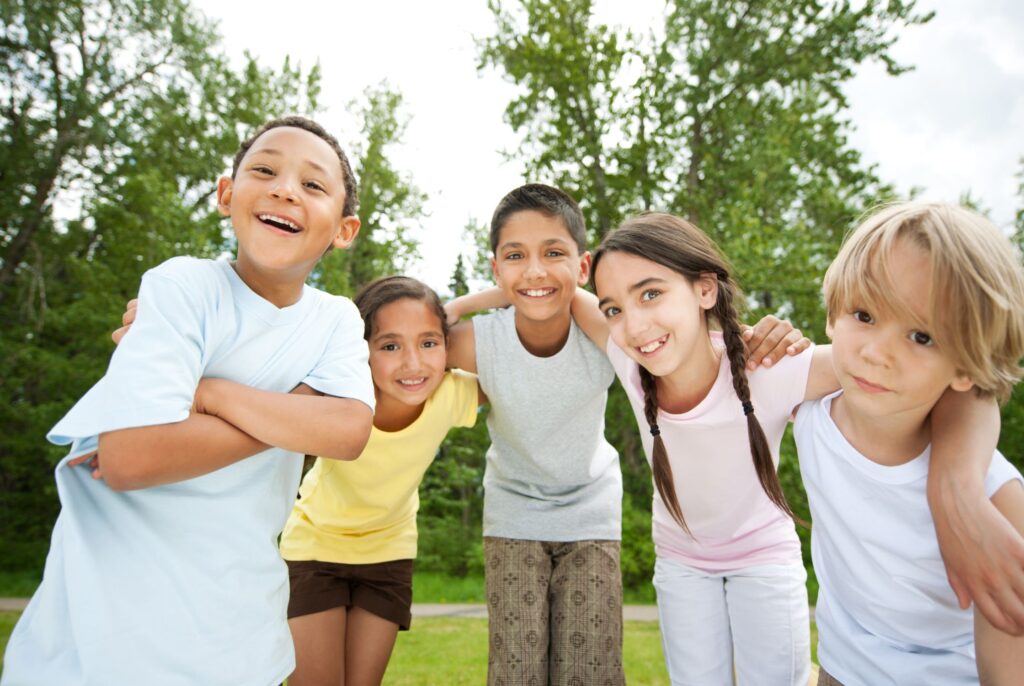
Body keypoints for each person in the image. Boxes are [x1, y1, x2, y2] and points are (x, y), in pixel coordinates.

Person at [1, 116, 376, 686]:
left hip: (236, 630)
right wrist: (296, 412)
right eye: (265, 170)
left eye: (313, 185)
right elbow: (132, 458)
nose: (284, 189)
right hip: (105, 631)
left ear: (344, 230)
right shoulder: (181, 286)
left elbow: (348, 431)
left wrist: (209, 393)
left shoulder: (335, 320)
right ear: (227, 196)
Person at [577, 211, 1021, 685]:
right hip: (685, 563)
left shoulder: (770, 370)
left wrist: (959, 486)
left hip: (762, 557)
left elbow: (966, 381)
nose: (635, 323)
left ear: (704, 289)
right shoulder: (629, 361)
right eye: (614, 309)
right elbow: (566, 297)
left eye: (651, 293)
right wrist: (527, 278)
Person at [443, 185, 805, 685]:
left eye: (553, 253)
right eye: (515, 256)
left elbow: (595, 300)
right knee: (518, 670)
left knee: (592, 671)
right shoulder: (507, 342)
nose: (535, 269)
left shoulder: (615, 335)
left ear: (582, 265)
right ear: (496, 266)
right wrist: (457, 307)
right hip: (532, 518)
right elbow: (411, 350)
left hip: (608, 519)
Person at [794, 202, 1024, 685]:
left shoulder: (999, 502)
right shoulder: (807, 408)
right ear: (833, 315)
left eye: (921, 336)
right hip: (842, 669)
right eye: (864, 314)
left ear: (966, 367)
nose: (877, 353)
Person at [280, 275, 481, 686]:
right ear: (362, 350)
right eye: (390, 346)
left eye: (429, 342)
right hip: (314, 548)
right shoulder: (339, 396)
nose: (413, 363)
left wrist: (462, 307)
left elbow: (527, 353)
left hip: (389, 554)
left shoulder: (451, 395)